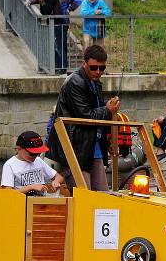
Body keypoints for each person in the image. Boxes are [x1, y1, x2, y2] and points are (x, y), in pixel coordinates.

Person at [45, 45, 120, 191]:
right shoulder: (75, 82)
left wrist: (107, 139)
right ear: (84, 63)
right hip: (76, 148)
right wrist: (107, 109)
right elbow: (85, 116)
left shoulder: (95, 82)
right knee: (84, 195)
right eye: (93, 68)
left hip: (92, 146)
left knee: (102, 195)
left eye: (102, 68)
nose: (98, 72)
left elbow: (95, 111)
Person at [1, 131, 64, 196]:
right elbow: (7, 193)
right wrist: (30, 187)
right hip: (21, 202)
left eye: (38, 153)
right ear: (19, 149)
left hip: (40, 202)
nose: (36, 156)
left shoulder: (38, 160)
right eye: (32, 153)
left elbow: (59, 177)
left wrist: (56, 181)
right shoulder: (9, 165)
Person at [26, 0, 65, 72]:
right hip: (52, 24)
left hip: (58, 24)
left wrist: (41, 0)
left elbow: (47, 10)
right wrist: (30, 1)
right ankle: (56, 67)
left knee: (58, 47)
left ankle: (61, 68)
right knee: (54, 46)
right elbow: (37, 0)